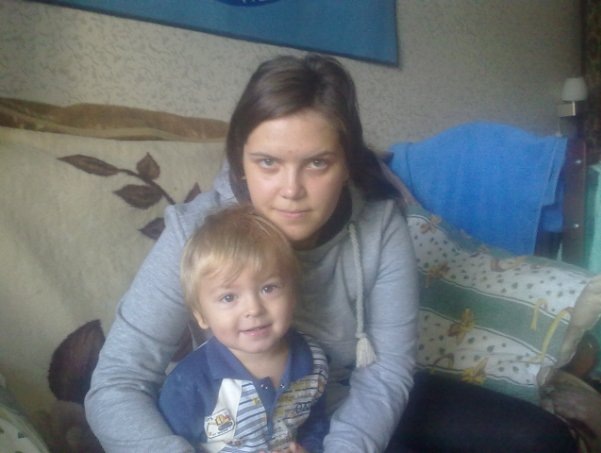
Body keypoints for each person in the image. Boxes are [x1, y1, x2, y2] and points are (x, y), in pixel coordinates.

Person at [85, 53, 576, 452]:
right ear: (240, 160)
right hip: (241, 419)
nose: (291, 190)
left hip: (350, 399)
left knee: (541, 439)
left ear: (346, 164)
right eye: (268, 162)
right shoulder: (194, 231)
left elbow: (386, 370)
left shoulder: (380, 225)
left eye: (317, 163)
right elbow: (117, 381)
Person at [158, 204, 329, 452]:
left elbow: (315, 423)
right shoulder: (189, 384)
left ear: (292, 295)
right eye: (229, 297)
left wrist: (309, 447)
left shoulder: (314, 361)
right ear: (202, 316)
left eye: (268, 288)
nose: (253, 309)